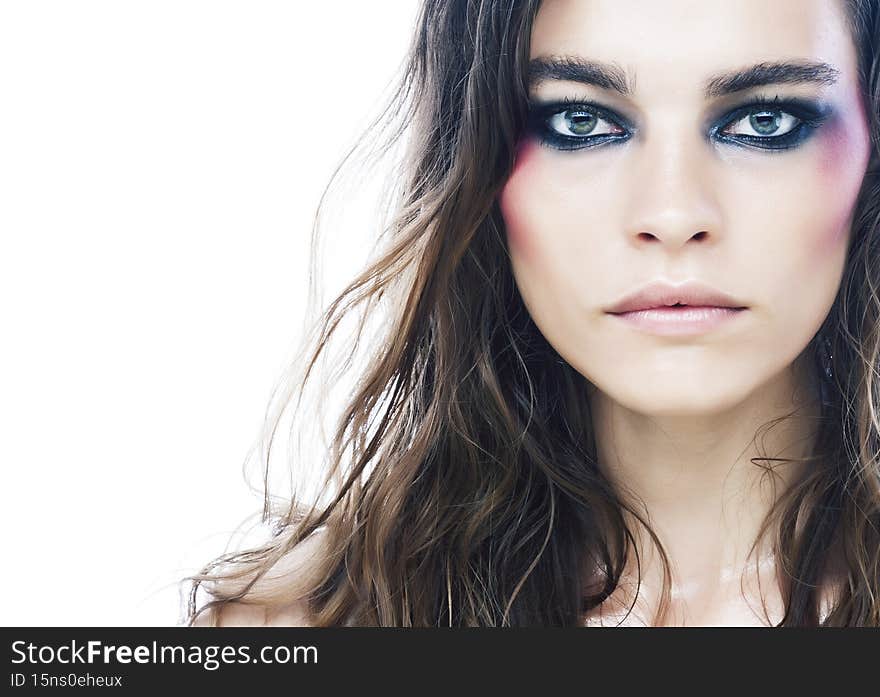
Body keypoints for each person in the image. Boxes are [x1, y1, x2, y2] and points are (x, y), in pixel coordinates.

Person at [182, 0, 880, 627]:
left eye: (765, 121)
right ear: (477, 166)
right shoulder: (292, 630)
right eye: (581, 121)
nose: (671, 214)